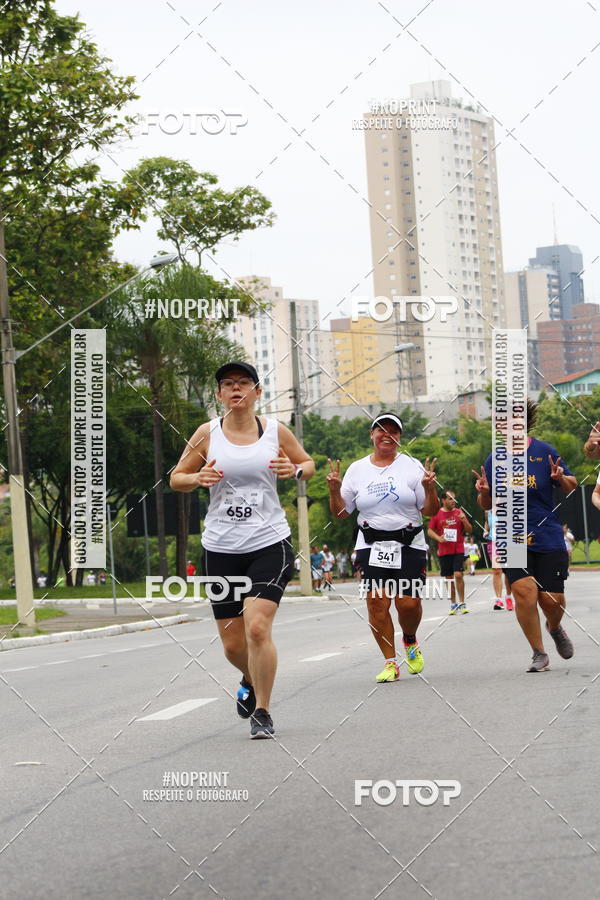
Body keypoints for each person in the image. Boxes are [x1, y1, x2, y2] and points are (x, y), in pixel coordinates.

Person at [170, 361, 315, 739]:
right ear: (219, 394)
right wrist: (196, 477)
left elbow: (307, 463)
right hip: (221, 548)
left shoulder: (274, 431)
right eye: (228, 384)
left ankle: (263, 712)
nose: (237, 389)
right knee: (233, 646)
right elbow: (176, 478)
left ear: (257, 392)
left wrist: (295, 471)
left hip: (269, 543)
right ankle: (249, 677)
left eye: (244, 383)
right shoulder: (207, 434)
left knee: (256, 626)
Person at [326, 413, 438, 682]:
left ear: (399, 437)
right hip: (370, 545)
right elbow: (341, 513)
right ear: (371, 434)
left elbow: (429, 510)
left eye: (393, 431)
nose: (387, 435)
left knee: (408, 604)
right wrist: (334, 490)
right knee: (377, 603)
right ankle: (390, 662)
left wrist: (429, 488)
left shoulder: (412, 467)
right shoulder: (357, 470)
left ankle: (409, 639)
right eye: (381, 430)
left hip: (409, 543)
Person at [473, 399, 577, 673]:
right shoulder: (494, 459)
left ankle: (554, 627)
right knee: (524, 592)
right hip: (512, 535)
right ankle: (538, 652)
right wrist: (484, 491)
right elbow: (486, 503)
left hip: (547, 533)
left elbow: (571, 485)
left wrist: (559, 477)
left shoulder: (544, 452)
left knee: (551, 599)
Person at [427, 490, 473, 614]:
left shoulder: (459, 512)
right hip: (444, 551)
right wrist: (438, 538)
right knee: (449, 578)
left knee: (458, 574)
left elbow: (469, 530)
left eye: (454, 499)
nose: (453, 501)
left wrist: (464, 520)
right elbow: (430, 531)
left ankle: (463, 603)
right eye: (450, 499)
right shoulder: (437, 514)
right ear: (443, 500)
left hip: (458, 549)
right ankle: (453, 603)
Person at [483, 509, 514, 611]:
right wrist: (485, 530)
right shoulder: (488, 511)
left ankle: (509, 597)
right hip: (493, 543)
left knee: (508, 571)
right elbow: (487, 523)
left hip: (507, 542)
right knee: (497, 571)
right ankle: (498, 599)